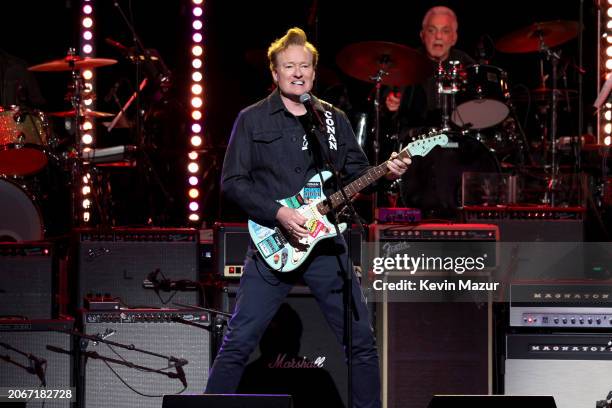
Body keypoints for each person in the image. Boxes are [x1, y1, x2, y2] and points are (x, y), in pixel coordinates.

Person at [205, 27, 411, 407]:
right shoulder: (251, 119)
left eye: (304, 66)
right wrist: (279, 212)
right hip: (274, 245)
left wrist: (388, 174)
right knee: (238, 342)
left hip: (326, 247)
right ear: (275, 73)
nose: (297, 73)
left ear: (314, 73)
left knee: (362, 342)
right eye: (289, 66)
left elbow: (357, 175)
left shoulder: (333, 119)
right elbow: (232, 182)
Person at [383, 6, 492, 219]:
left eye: (445, 31)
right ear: (423, 35)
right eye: (432, 31)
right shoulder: (407, 63)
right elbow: (388, 102)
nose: (438, 37)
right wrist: (390, 104)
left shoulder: (468, 65)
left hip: (461, 144)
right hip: (417, 144)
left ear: (454, 37)